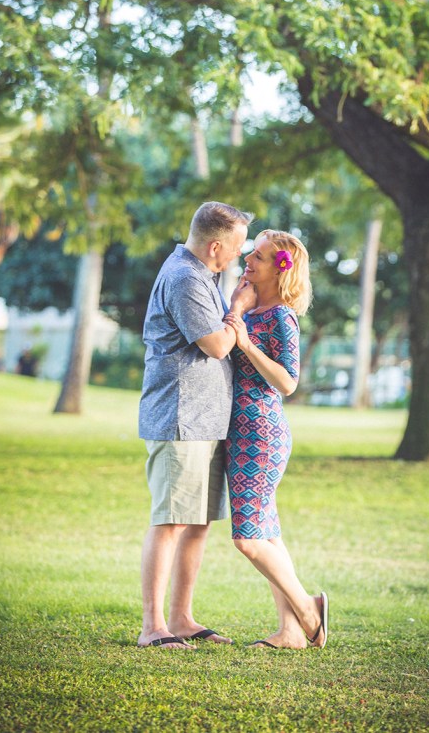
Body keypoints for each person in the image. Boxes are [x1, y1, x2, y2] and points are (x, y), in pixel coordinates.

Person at [137, 201, 256, 650]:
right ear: (215, 246)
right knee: (170, 521)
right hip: (180, 419)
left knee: (199, 522)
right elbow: (218, 345)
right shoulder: (185, 278)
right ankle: (153, 627)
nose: (241, 258)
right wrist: (240, 307)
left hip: (207, 420)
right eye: (238, 249)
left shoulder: (205, 275)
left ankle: (182, 618)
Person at [224, 230, 328, 650]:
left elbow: (287, 382)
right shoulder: (250, 307)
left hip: (261, 433)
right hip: (240, 430)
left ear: (280, 268)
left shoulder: (281, 317)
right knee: (266, 535)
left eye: (260, 256)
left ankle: (308, 610)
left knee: (247, 538)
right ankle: (289, 633)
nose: (249, 258)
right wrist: (237, 308)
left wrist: (246, 343)